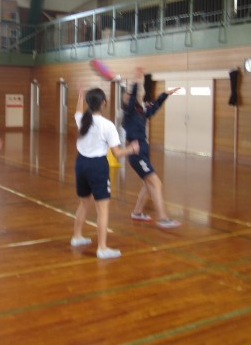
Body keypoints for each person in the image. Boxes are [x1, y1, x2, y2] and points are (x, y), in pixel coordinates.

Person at [71, 86, 140, 259]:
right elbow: (117, 153)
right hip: (97, 166)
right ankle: (102, 248)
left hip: (80, 164)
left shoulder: (83, 119)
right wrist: (131, 149)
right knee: (102, 209)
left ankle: (77, 236)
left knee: (84, 204)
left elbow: (77, 111)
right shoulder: (107, 125)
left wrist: (80, 97)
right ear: (104, 103)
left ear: (89, 103)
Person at [123, 68, 181, 229]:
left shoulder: (140, 112)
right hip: (136, 153)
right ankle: (163, 218)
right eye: (127, 96)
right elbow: (133, 96)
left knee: (147, 184)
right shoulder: (128, 114)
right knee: (156, 183)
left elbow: (153, 108)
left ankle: (137, 212)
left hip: (143, 150)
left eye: (129, 95)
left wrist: (165, 94)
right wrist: (135, 81)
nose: (128, 97)